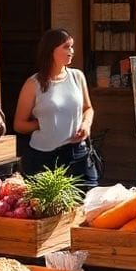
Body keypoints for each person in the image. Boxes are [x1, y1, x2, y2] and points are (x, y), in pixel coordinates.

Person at [12, 29, 98, 188]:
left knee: (88, 200)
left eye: (72, 46)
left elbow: (88, 108)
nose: (71, 51)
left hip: (77, 152)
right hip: (44, 157)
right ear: (51, 50)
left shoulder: (77, 76)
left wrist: (86, 125)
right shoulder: (33, 84)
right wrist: (42, 123)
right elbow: (19, 124)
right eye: (66, 47)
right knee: (48, 209)